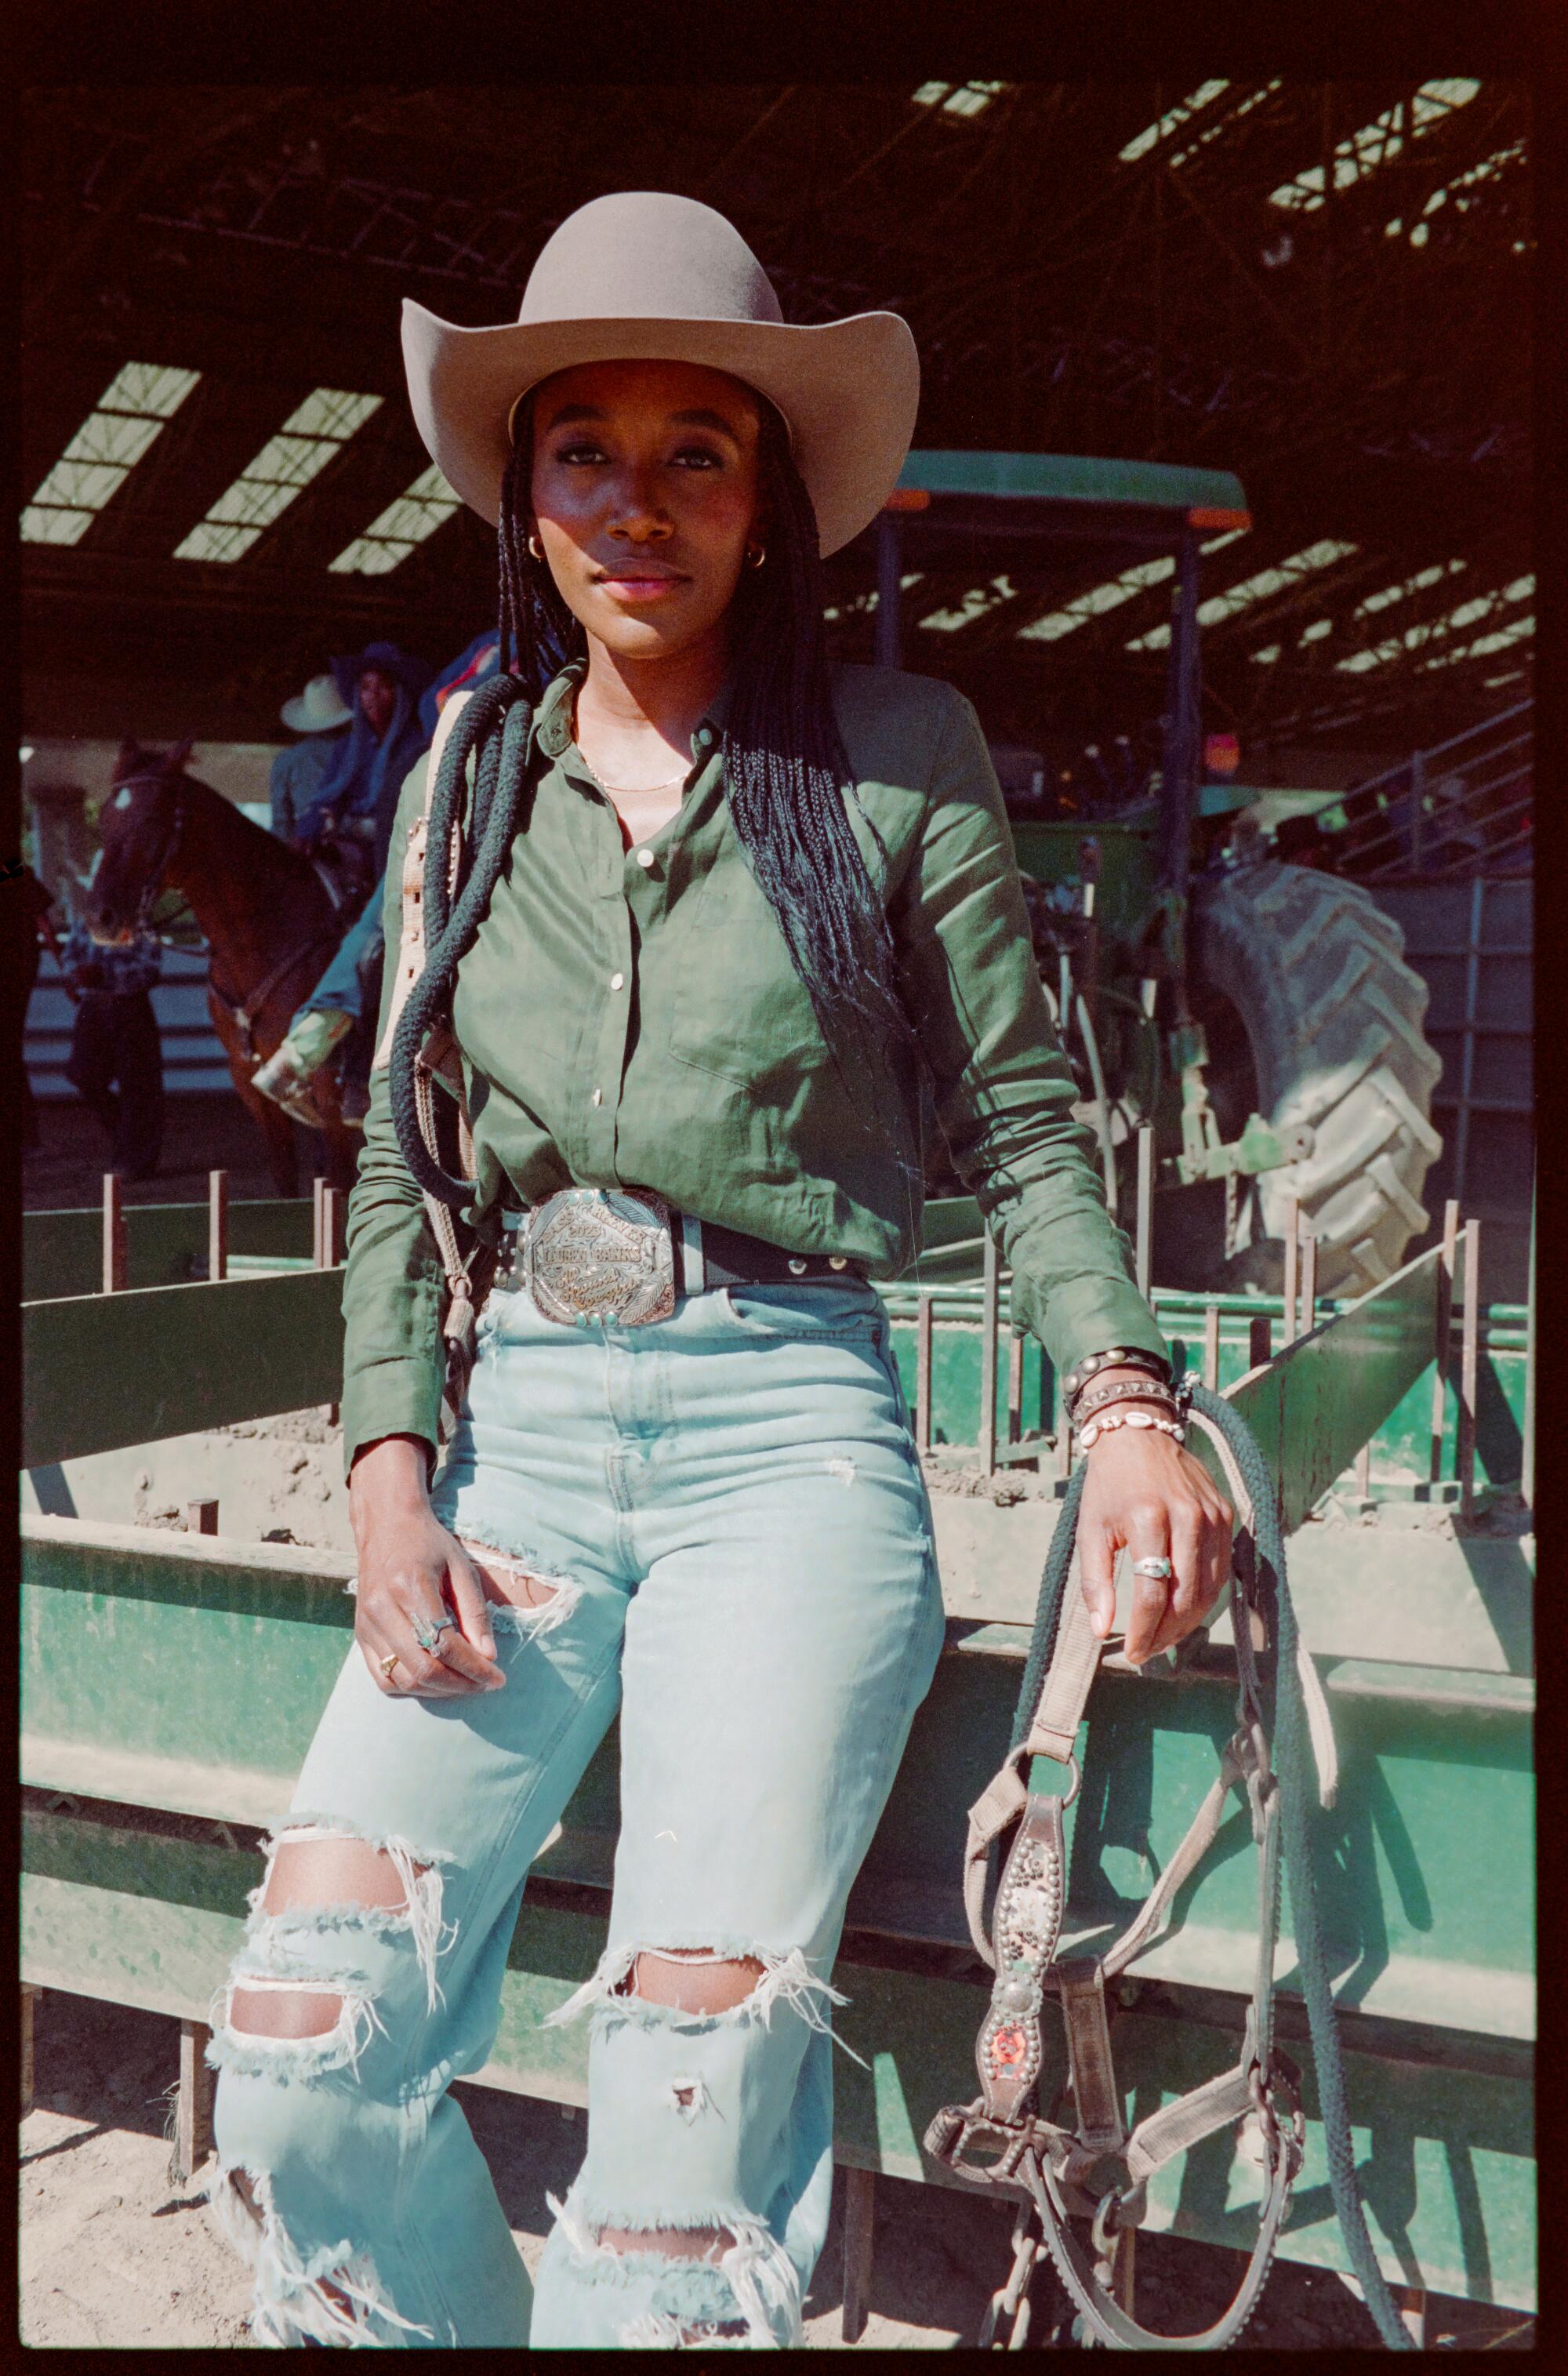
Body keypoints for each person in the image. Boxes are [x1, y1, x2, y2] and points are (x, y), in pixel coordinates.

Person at [204, 191, 1232, 2350]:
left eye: (702, 449)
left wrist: (1126, 1400)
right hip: (516, 1468)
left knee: (677, 2147)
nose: (639, 501)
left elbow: (1035, 1128)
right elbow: (400, 1158)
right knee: (296, 2051)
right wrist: (391, 1466)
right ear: (526, 491)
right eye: (589, 446)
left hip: (786, 1447)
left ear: (771, 502)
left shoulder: (896, 761)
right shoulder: (465, 778)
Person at [288, 642, 433, 893]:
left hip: (399, 848)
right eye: (365, 688)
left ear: (400, 695)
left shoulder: (417, 746)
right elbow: (327, 798)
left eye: (383, 687)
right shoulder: (346, 748)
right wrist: (306, 833)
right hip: (349, 844)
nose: (373, 696)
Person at [60, 909, 165, 1179]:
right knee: (83, 1075)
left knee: (137, 1085)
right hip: (93, 1006)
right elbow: (70, 955)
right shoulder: (86, 920)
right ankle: (131, 1142)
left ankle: (134, 1160)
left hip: (131, 1005)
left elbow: (150, 969)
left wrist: (104, 974)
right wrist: (75, 974)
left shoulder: (140, 923)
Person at [269, 672, 354, 842]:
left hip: (305, 847)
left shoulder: (287, 760)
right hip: (354, 846)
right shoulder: (361, 753)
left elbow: (281, 823)